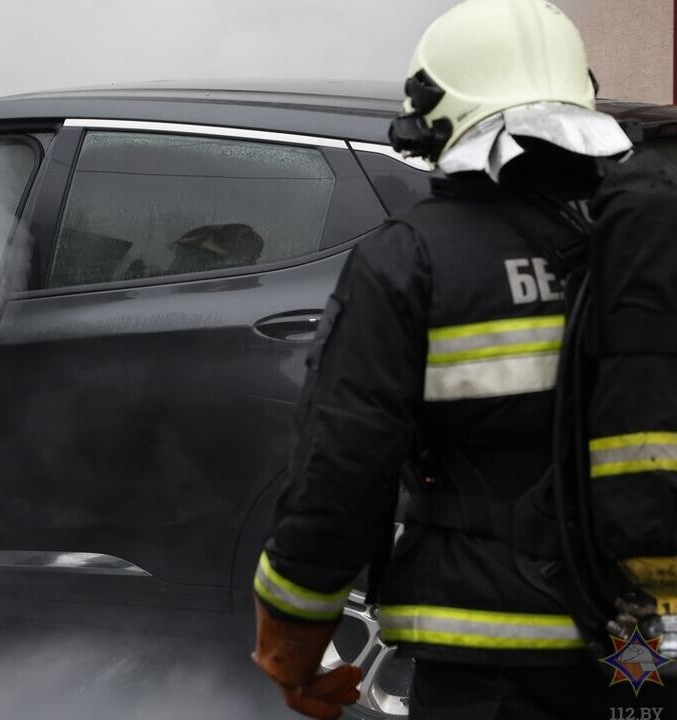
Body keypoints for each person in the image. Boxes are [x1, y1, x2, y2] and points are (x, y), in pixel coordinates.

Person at [249, 1, 635, 718]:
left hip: (490, 660)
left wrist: (291, 648)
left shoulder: (411, 262)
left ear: (434, 115)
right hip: (641, 649)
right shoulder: (641, 252)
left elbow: (341, 471)